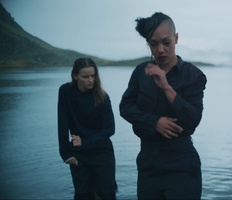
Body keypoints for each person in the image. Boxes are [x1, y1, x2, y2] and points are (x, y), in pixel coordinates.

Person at [119, 12, 206, 200]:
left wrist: (167, 88)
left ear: (176, 38)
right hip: (148, 166)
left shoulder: (193, 75)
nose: (160, 50)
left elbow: (193, 120)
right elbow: (125, 107)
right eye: (153, 44)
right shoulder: (141, 72)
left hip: (182, 166)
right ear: (148, 44)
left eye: (166, 42)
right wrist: (154, 122)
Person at [58, 58, 117, 200]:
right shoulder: (65, 91)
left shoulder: (103, 97)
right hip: (79, 154)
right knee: (83, 195)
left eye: (93, 76)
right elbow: (62, 123)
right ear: (75, 76)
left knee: (107, 194)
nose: (91, 80)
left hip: (102, 152)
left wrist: (85, 142)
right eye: (86, 77)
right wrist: (66, 153)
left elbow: (110, 129)